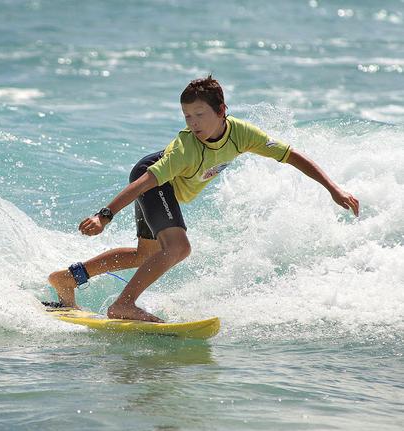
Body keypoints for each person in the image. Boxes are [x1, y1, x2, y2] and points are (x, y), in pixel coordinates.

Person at [48, 75, 360, 322]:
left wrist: (334, 188)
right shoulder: (185, 147)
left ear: (222, 111)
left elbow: (291, 155)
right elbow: (144, 181)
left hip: (157, 182)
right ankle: (124, 305)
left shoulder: (243, 134)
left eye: (199, 114)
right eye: (187, 116)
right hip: (154, 180)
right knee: (179, 247)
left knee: (146, 255)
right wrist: (105, 215)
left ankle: (68, 278)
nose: (192, 123)